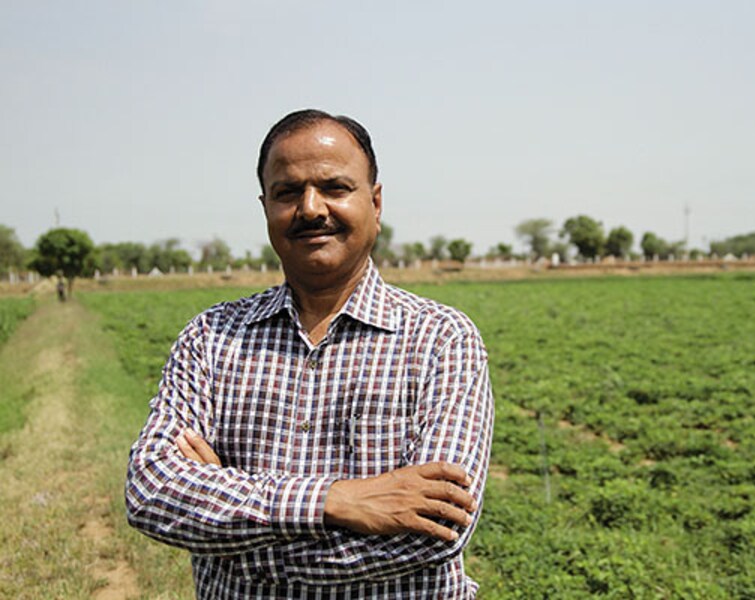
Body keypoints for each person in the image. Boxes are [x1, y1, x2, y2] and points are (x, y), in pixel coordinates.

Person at [126, 109, 494, 598]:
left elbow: (432, 534)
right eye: (287, 192)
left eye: (335, 188)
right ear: (265, 207)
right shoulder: (210, 338)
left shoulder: (442, 339)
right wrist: (332, 501)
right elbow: (151, 491)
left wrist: (232, 535)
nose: (312, 208)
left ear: (376, 203)